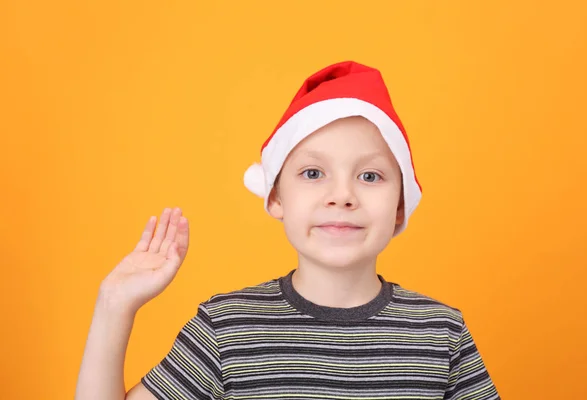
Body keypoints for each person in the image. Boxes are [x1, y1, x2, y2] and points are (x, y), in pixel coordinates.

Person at [75, 61, 500, 400]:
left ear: (400, 205)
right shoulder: (227, 328)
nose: (342, 195)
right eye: (313, 172)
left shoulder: (441, 332)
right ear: (275, 197)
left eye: (370, 176)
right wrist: (115, 305)